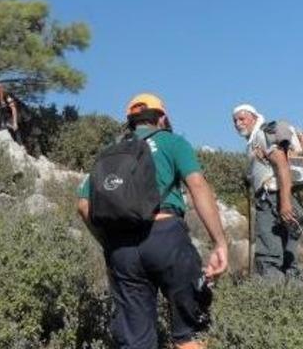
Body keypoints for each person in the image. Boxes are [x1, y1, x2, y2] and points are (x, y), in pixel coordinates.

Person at [77, 93, 228, 349]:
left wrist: (107, 243)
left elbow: (82, 205)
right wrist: (219, 242)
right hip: (166, 237)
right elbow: (198, 186)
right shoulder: (172, 142)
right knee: (188, 336)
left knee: (136, 342)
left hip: (122, 249)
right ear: (163, 118)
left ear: (130, 122)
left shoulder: (109, 152)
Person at [232, 104, 303, 282]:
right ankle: (298, 302)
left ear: (255, 118)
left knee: (268, 259)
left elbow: (281, 165)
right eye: (235, 121)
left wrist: (285, 203)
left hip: (273, 199)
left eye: (242, 119)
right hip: (280, 199)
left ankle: (273, 304)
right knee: (288, 260)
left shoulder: (260, 136)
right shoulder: (254, 142)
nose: (238, 123)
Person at [0, 81, 41, 156]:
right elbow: (3, 112)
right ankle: (20, 148)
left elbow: (13, 109)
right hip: (15, 117)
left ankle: (33, 153)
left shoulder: (7, 95)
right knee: (11, 130)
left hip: (24, 117)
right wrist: (3, 123)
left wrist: (14, 123)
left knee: (28, 135)